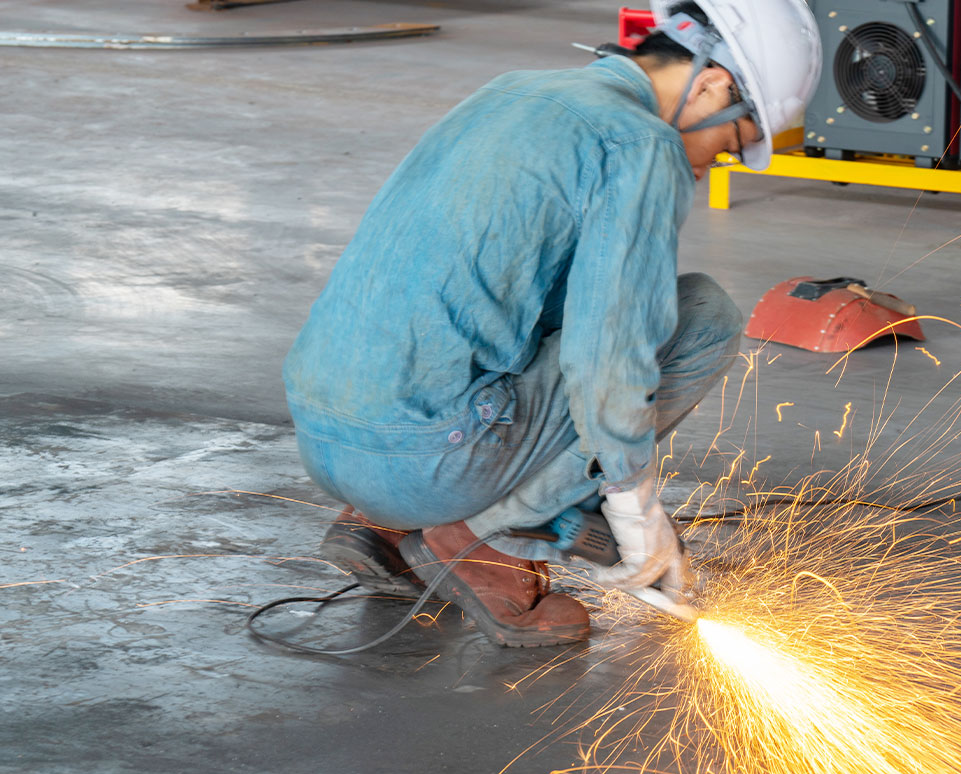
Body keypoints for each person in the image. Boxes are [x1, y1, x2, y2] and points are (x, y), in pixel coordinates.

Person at [281, 0, 820, 646]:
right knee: (704, 316)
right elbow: (609, 356)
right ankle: (491, 541)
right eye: (728, 142)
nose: (710, 167)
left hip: (322, 433)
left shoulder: (516, 90)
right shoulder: (640, 142)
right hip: (423, 462)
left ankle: (380, 522)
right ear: (711, 85)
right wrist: (634, 507)